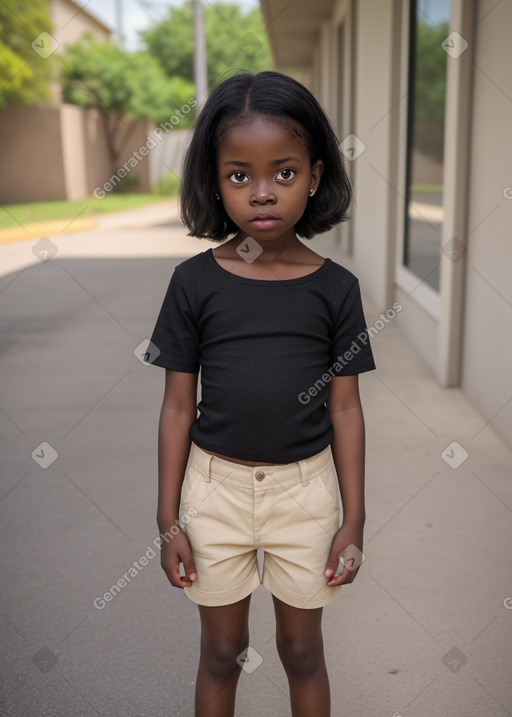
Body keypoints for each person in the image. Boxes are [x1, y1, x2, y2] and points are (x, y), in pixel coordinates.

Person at [148, 70, 376, 717]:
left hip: (305, 494)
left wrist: (353, 518)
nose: (263, 192)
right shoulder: (194, 283)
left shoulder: (337, 290)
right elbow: (175, 406)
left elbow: (346, 408)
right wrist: (168, 519)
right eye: (239, 175)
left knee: (302, 651)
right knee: (222, 651)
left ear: (315, 174)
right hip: (214, 490)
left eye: (284, 171)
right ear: (214, 182)